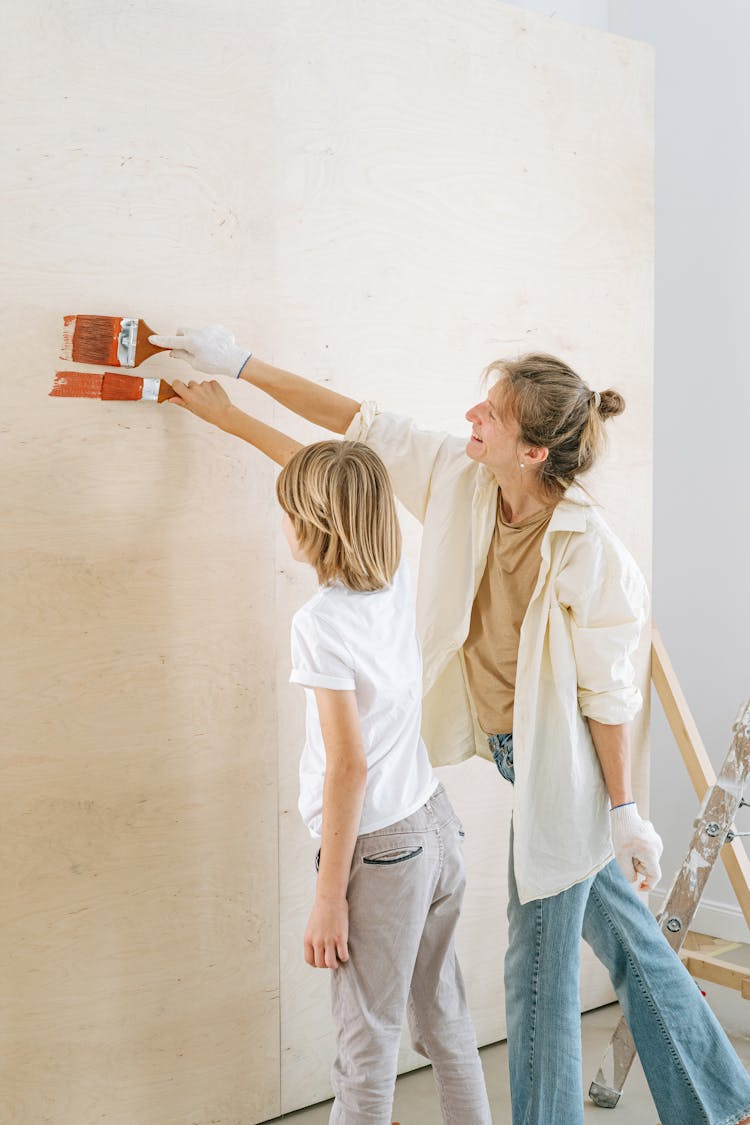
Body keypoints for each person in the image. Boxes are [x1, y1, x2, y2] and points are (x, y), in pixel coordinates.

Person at [151, 324, 750, 1125]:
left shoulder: (590, 549)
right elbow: (355, 429)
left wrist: (622, 806)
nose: (473, 414)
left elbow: (609, 695)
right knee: (624, 932)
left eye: (492, 413)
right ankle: (722, 1102)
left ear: (532, 451)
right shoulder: (461, 480)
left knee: (535, 965)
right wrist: (240, 370)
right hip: (508, 748)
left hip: (561, 764)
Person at [161, 382, 493, 1125]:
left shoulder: (321, 623)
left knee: (364, 1048)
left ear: (307, 525)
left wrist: (326, 897)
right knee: (445, 1018)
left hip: (377, 849)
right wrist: (232, 418)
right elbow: (335, 479)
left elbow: (348, 766)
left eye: (288, 509)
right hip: (435, 827)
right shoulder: (399, 578)